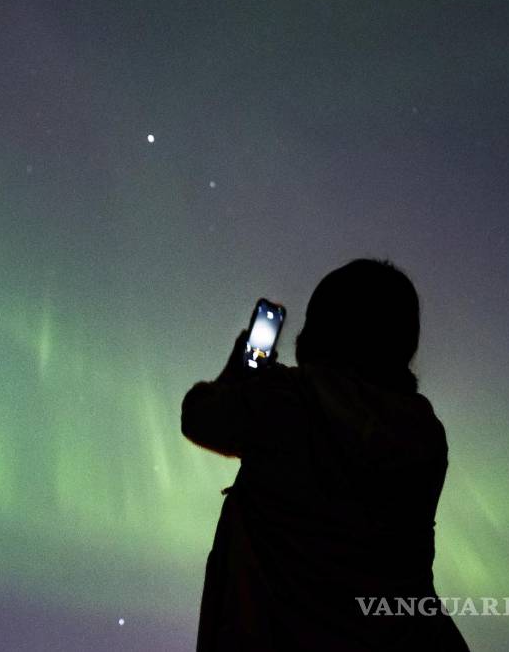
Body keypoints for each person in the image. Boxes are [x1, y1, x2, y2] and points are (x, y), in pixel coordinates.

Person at [181, 258, 469, 651]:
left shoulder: (284, 398)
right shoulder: (425, 435)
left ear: (321, 330)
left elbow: (198, 416)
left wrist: (238, 375)